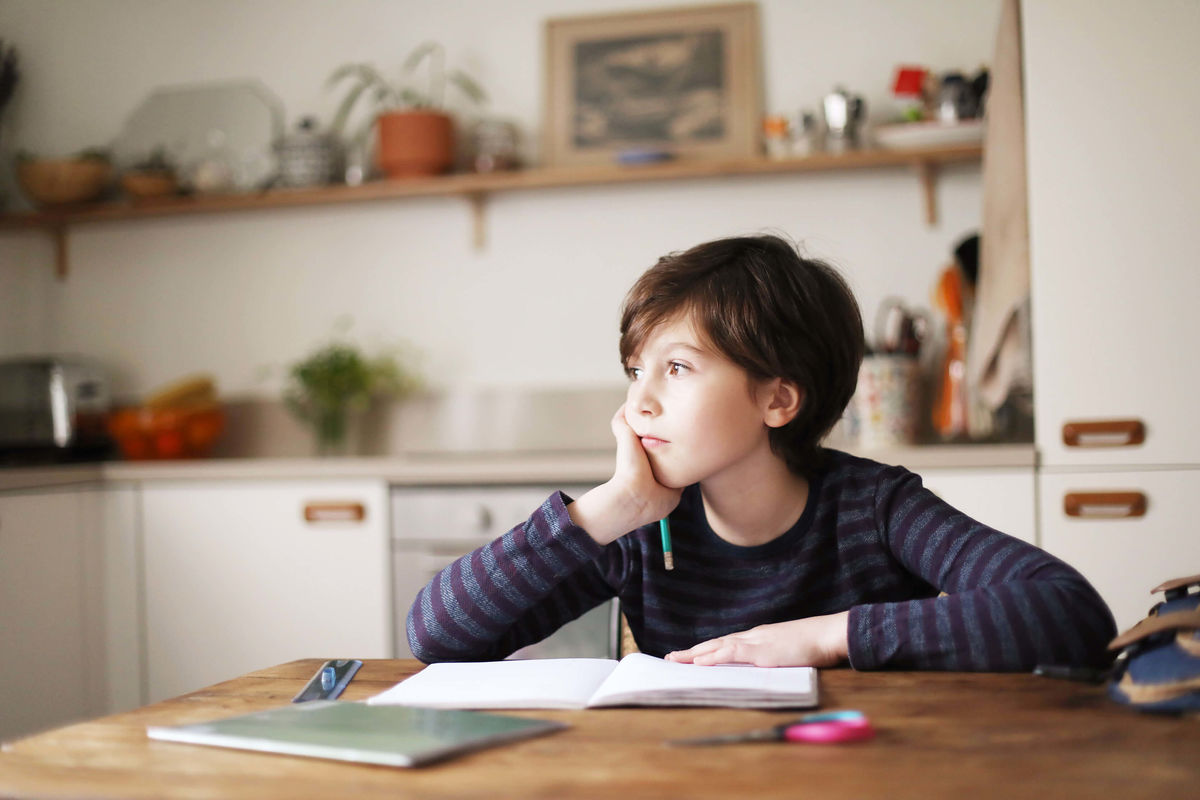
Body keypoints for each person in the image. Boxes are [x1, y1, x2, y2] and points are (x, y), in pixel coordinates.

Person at [407, 235, 1116, 670]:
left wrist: (826, 637)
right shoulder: (642, 528)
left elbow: (1067, 612)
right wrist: (606, 509)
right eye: (635, 370)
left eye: (676, 368)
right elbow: (435, 636)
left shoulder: (875, 508)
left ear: (778, 400)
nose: (637, 403)